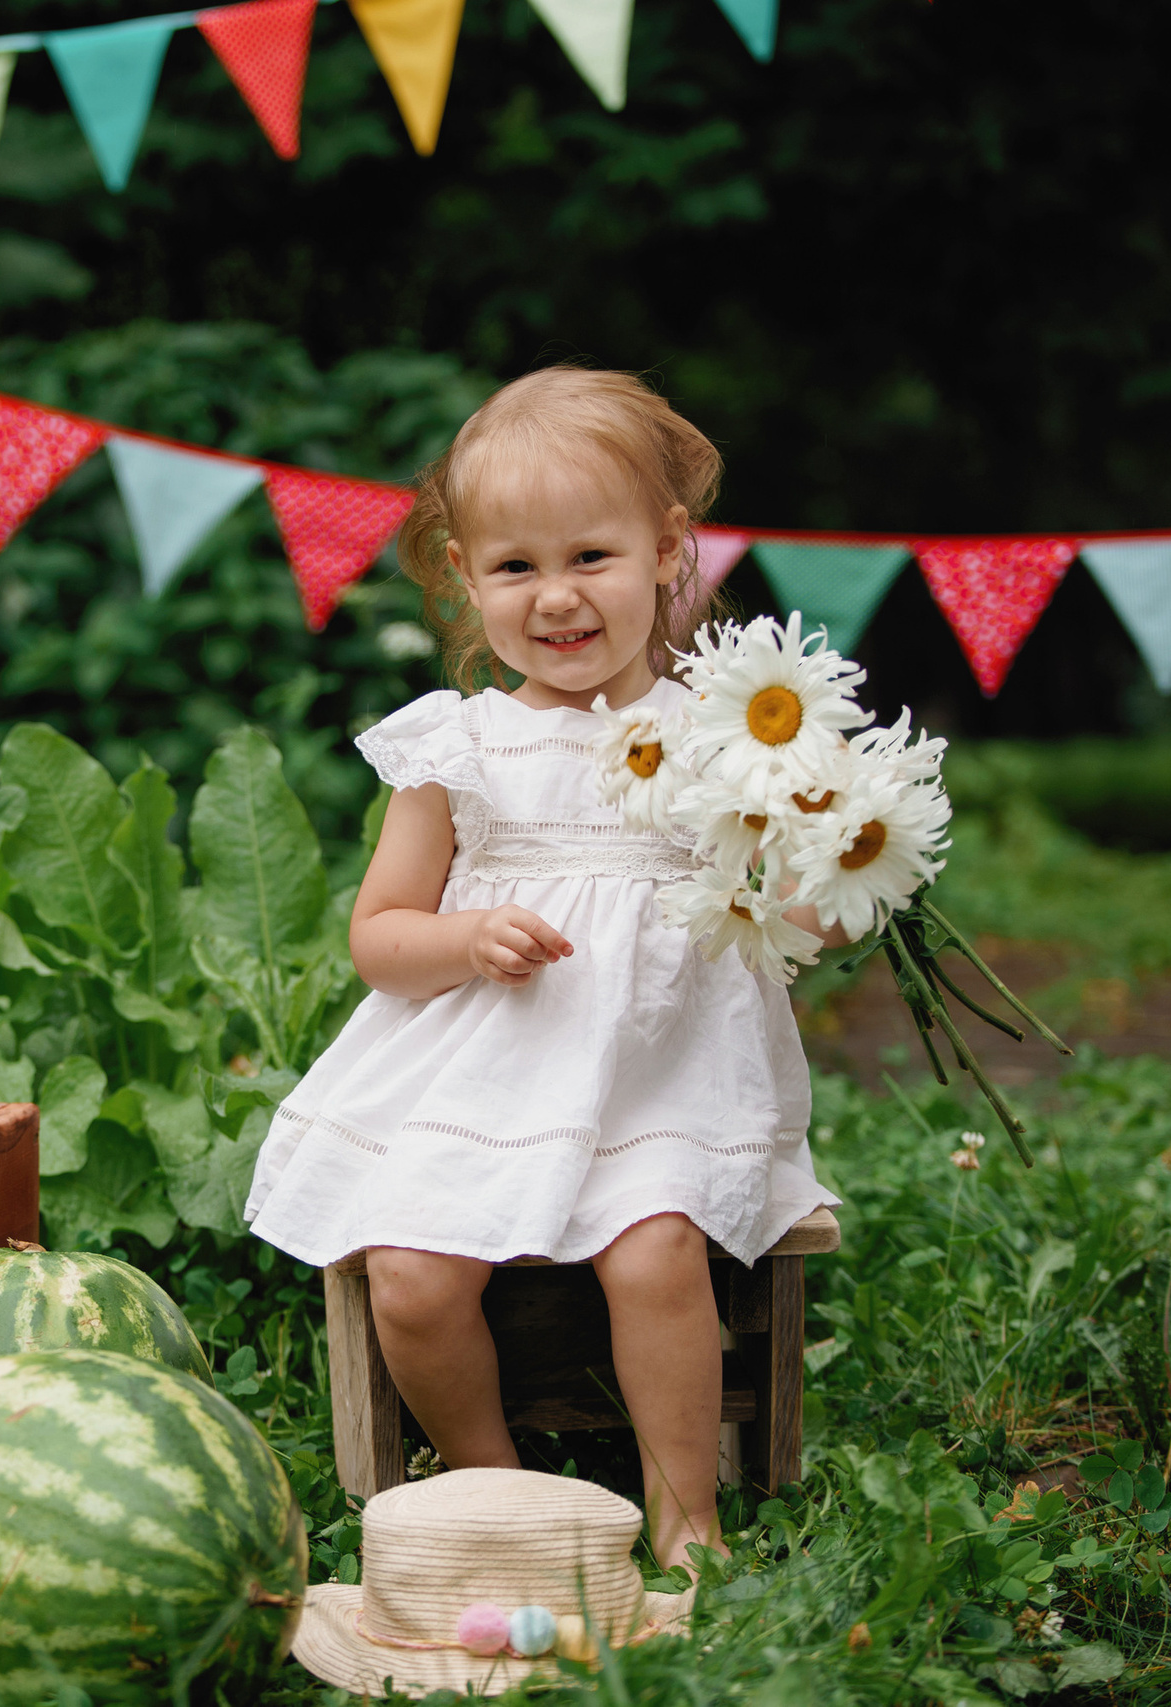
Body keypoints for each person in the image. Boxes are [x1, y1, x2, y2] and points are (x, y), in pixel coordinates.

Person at [244, 366, 845, 1579]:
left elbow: (798, 903)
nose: (557, 598)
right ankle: (499, 1495)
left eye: (591, 557)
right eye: (516, 567)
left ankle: (686, 1516)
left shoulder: (728, 732)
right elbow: (380, 936)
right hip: (484, 1072)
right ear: (465, 574)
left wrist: (816, 898)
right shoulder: (457, 748)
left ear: (668, 551)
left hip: (658, 1076)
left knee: (655, 1251)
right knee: (410, 1276)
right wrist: (464, 940)